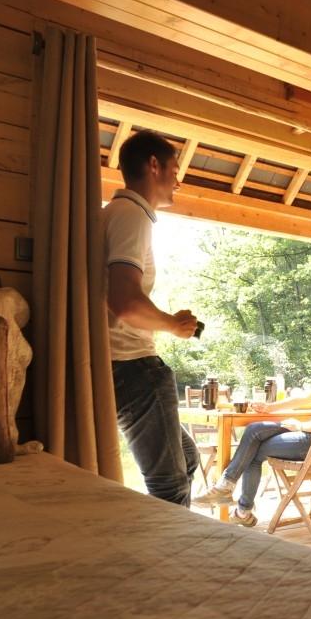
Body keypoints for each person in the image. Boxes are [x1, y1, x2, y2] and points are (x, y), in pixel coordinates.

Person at [194, 320, 311, 526]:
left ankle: (236, 501)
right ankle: (233, 498)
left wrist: (299, 425)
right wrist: (271, 408)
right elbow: (305, 398)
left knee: (253, 449)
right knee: (254, 430)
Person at [104, 130, 200, 506]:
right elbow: (124, 302)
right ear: (154, 165)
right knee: (169, 488)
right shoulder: (133, 215)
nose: (178, 179)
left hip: (119, 366)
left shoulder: (112, 214)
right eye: (175, 169)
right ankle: (170, 560)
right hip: (133, 367)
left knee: (188, 459)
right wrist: (173, 325)